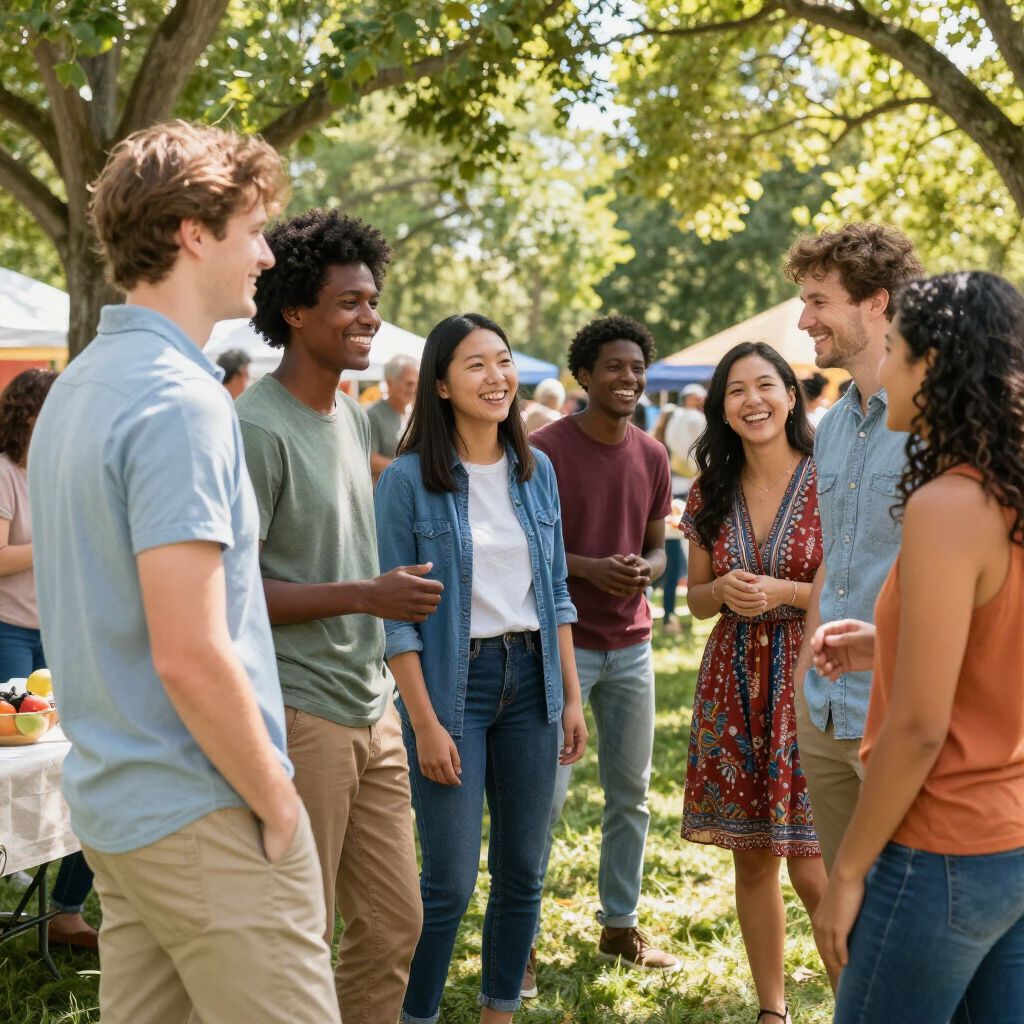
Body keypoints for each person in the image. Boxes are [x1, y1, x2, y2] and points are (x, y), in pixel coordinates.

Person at [27, 121, 340, 1023]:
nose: (267, 253)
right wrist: (277, 799)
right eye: (252, 229)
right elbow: (191, 652)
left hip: (120, 810)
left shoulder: (80, 386)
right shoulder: (177, 400)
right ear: (192, 233)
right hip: (204, 807)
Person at [811, 272, 1024, 1022]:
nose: (885, 366)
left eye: (895, 348)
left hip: (938, 851)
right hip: (1010, 844)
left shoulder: (946, 506)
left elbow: (920, 726)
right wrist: (886, 642)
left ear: (931, 365)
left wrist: (848, 870)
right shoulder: (1007, 491)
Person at [244, 208, 437, 1023]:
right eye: (351, 302)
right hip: (299, 712)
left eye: (374, 299)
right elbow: (234, 594)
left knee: (397, 922)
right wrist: (367, 595)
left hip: (373, 705)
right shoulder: (254, 427)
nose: (371, 317)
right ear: (295, 311)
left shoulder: (354, 417)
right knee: (301, 930)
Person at [374, 312, 587, 1023]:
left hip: (533, 683)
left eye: (502, 361)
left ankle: (500, 1010)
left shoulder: (537, 471)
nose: (497, 377)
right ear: (439, 385)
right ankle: (419, 1014)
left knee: (524, 873)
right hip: (449, 692)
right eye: (475, 365)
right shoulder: (407, 483)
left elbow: (554, 590)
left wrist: (573, 698)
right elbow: (394, 619)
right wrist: (425, 724)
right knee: (450, 884)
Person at [532, 315, 680, 983]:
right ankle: (521, 936)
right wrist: (588, 569)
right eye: (614, 368)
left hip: (633, 646)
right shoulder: (542, 451)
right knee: (547, 797)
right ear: (584, 376)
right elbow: (524, 551)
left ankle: (619, 927)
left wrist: (648, 569)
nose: (629, 378)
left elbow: (656, 542)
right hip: (564, 645)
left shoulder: (652, 454)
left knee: (631, 794)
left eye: (636, 367)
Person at [682, 342, 828, 1021]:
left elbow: (855, 587)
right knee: (752, 856)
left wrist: (784, 592)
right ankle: (774, 1010)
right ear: (722, 408)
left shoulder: (832, 474)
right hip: (733, 678)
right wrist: (725, 591)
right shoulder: (712, 487)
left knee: (814, 865)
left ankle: (858, 1003)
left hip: (813, 673)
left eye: (764, 385)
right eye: (736, 390)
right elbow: (695, 598)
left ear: (791, 395)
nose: (752, 400)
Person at [787, 223, 923, 871]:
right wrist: (802, 680)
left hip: (906, 711)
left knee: (914, 917)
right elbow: (834, 561)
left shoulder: (939, 419)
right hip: (826, 710)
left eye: (818, 299)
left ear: (877, 301)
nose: (804, 318)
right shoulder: (833, 426)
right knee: (845, 911)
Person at [0, 369, 98, 950]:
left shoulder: (65, 472)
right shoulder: (6, 474)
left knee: (85, 767)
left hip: (65, 637)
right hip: (11, 635)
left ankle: (66, 910)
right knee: (19, 773)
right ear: (28, 414)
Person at [660, 383, 708, 634]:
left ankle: (671, 615)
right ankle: (672, 615)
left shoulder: (672, 419)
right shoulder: (688, 419)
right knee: (683, 556)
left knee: (678, 557)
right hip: (684, 492)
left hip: (679, 490)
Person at [368, 353, 419, 482]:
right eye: (409, 384)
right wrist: (409, 468)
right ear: (390, 383)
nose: (414, 389)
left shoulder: (413, 414)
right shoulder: (373, 416)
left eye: (416, 384)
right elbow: (369, 460)